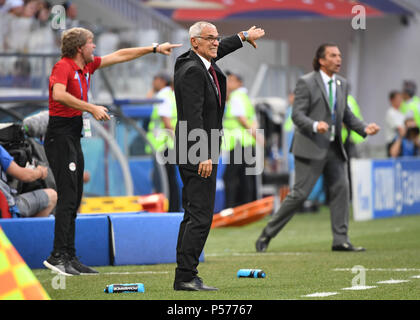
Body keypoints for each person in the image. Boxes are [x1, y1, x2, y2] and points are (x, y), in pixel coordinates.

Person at [42, 27, 181, 276]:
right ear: (79, 48)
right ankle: (57, 256)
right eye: (91, 43)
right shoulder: (63, 66)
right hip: (59, 135)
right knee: (67, 196)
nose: (94, 47)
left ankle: (69, 255)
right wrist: (91, 107)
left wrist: (153, 48)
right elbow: (58, 94)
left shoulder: (86, 66)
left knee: (75, 196)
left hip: (72, 135)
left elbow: (121, 55)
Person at [255, 43, 380, 253]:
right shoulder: (306, 83)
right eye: (333, 55)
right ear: (321, 60)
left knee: (341, 189)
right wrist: (315, 125)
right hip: (310, 146)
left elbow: (346, 114)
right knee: (300, 194)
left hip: (333, 147)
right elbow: (297, 115)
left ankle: (340, 240)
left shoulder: (342, 83)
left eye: (339, 55)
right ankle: (267, 233)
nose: (338, 59)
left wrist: (365, 128)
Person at [173, 21, 265, 291]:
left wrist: (243, 36)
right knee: (200, 216)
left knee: (193, 214)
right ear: (194, 42)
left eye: (217, 37)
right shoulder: (192, 71)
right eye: (209, 38)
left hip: (193, 148)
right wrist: (203, 154)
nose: (215, 42)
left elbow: (218, 48)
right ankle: (186, 276)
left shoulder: (192, 61)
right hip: (196, 150)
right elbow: (193, 116)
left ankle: (185, 275)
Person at [222, 71, 261, 208]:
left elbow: (242, 119)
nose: (228, 83)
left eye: (231, 80)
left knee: (229, 177)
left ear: (239, 83)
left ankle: (230, 208)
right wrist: (256, 135)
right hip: (247, 142)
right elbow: (253, 119)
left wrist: (257, 135)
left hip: (238, 143)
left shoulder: (236, 97)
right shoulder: (245, 97)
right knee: (246, 177)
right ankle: (248, 207)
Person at [145, 71, 180, 212]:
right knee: (170, 178)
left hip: (163, 144)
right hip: (168, 144)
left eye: (155, 80)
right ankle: (173, 208)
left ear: (161, 80)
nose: (153, 83)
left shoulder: (163, 96)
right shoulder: (170, 95)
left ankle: (169, 209)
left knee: (164, 180)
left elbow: (166, 121)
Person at [0, 144, 57, 218]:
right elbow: (24, 175)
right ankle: (31, 229)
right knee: (52, 195)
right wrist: (40, 172)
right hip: (8, 208)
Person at [385, 91, 405, 156]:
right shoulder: (391, 112)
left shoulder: (401, 113)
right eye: (398, 99)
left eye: (401, 99)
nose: (400, 101)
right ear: (392, 100)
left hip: (402, 142)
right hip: (393, 143)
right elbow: (400, 130)